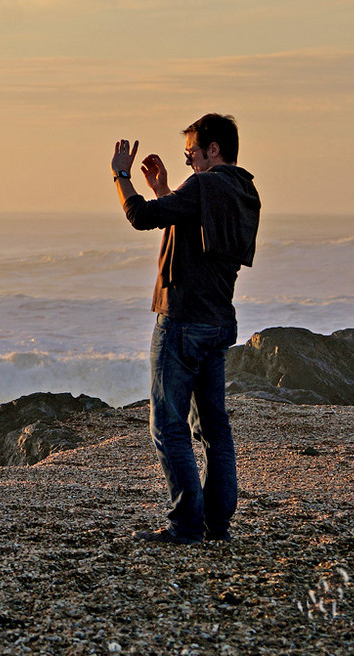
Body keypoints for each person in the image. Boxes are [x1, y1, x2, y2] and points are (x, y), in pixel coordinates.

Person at [111, 114, 260, 545]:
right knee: (214, 427)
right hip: (218, 322)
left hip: (181, 321)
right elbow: (197, 232)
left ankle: (185, 525)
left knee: (169, 425)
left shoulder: (203, 186)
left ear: (213, 149)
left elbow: (140, 217)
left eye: (191, 151)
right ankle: (218, 526)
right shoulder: (243, 190)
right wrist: (165, 191)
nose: (189, 159)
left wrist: (121, 175)